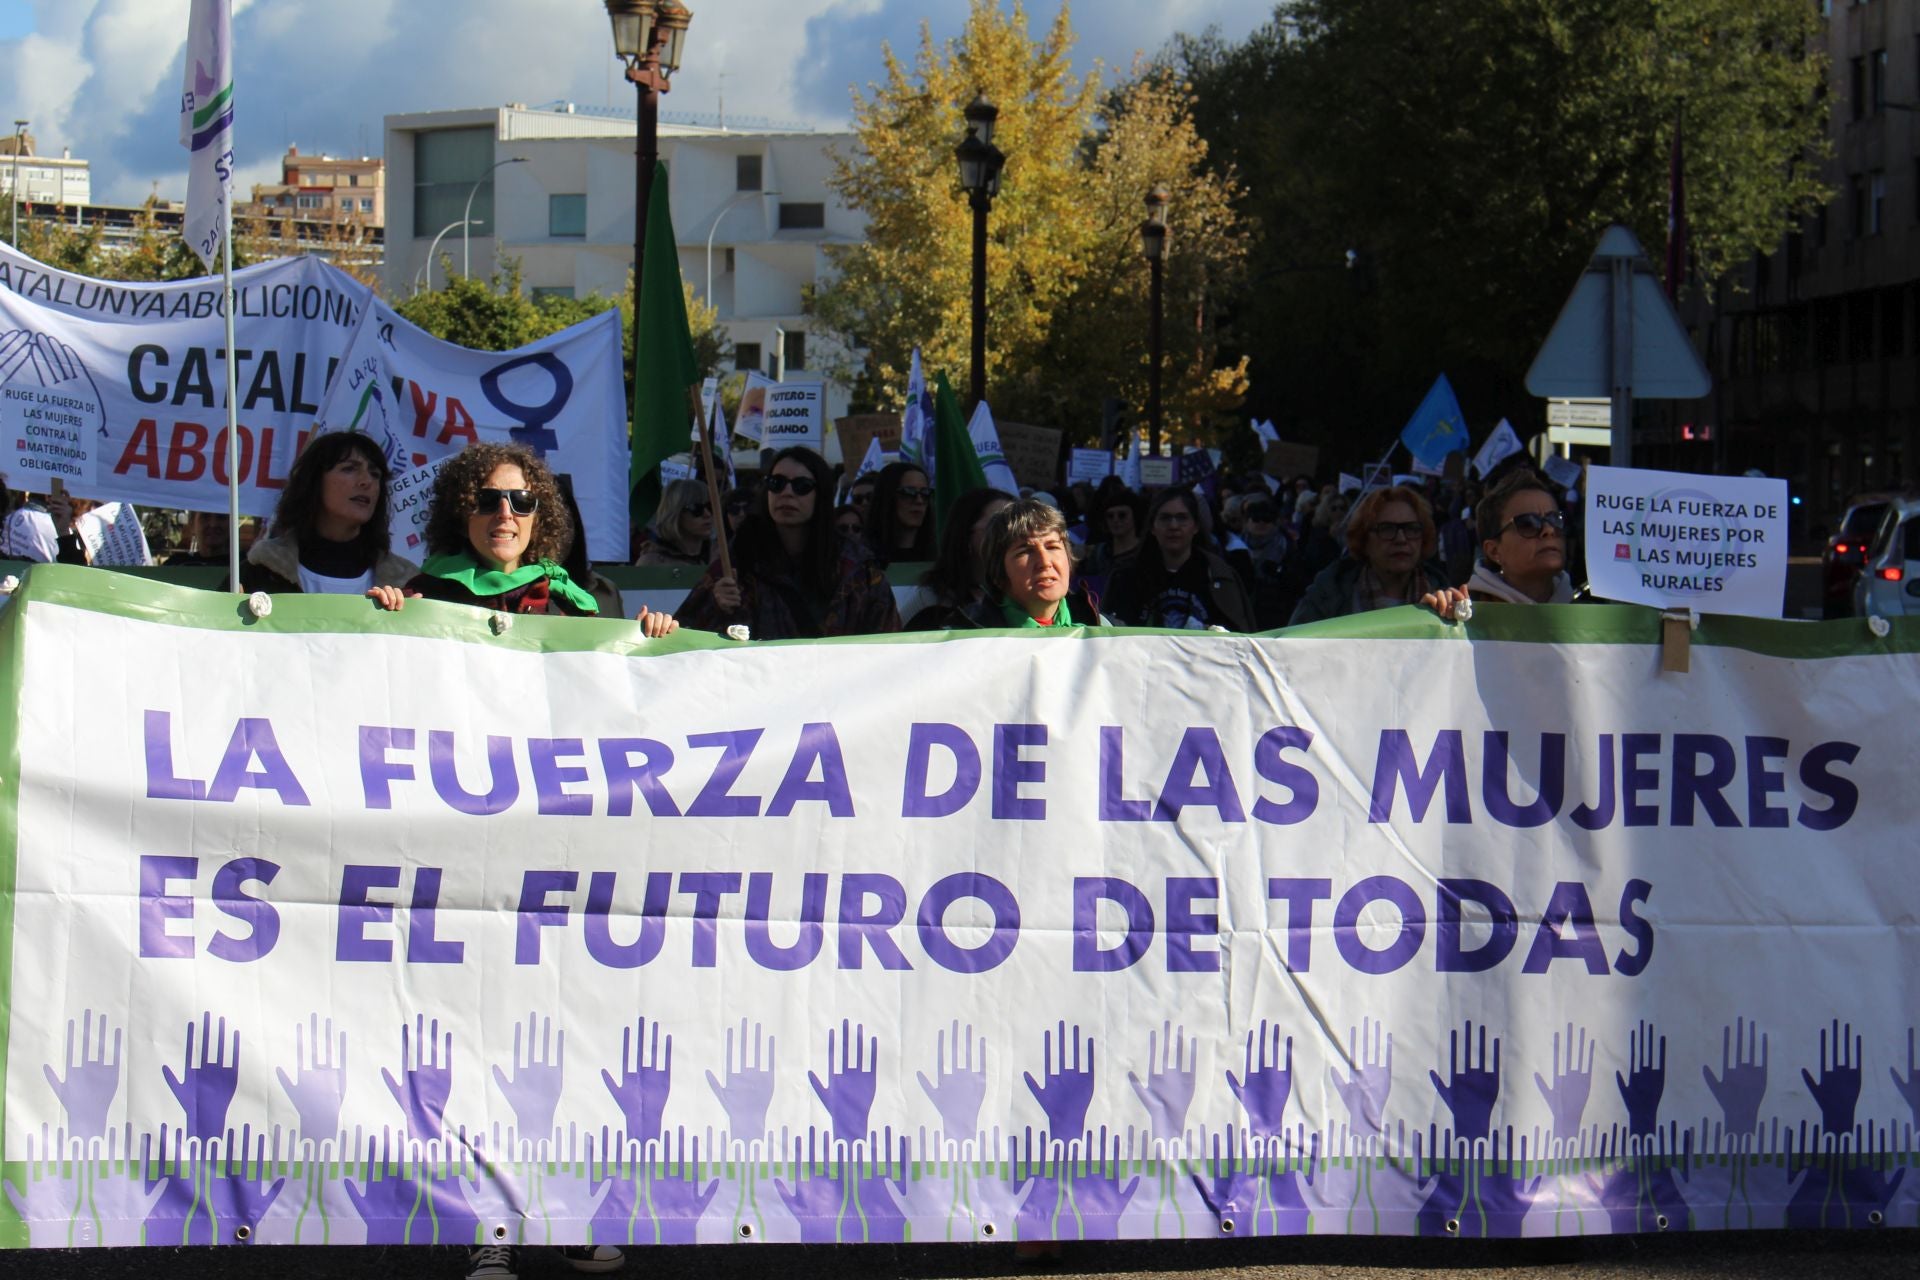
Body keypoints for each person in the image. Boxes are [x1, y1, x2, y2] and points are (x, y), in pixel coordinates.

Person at [382, 444, 673, 635]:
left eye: (522, 501)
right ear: (460, 515)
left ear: (537, 520)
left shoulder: (567, 604)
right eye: (486, 500)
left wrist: (640, 644)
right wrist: (382, 620)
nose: (505, 513)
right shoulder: (423, 596)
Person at [677, 446, 901, 639]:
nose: (786, 493)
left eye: (801, 486)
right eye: (777, 483)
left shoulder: (858, 568)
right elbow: (688, 633)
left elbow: (887, 644)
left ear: (821, 494)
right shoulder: (739, 557)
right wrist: (717, 604)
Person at [236, 432, 418, 597]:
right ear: (314, 481)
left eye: (375, 474)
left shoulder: (405, 582)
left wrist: (406, 614)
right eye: (349, 469)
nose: (366, 481)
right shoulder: (258, 573)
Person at [1289, 485, 1456, 624]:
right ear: (1364, 539)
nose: (1401, 539)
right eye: (1387, 529)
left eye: (1412, 529)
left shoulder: (1445, 597)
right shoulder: (1327, 595)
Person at [1102, 487, 1254, 631]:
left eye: (1182, 518)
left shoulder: (1219, 576)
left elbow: (1239, 640)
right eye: (1165, 518)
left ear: (1195, 526)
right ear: (1152, 527)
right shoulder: (1125, 578)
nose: (1173, 526)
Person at [973, 498, 1106, 627]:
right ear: (998, 575)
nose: (1045, 562)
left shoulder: (1106, 631)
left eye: (1052, 547)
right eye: (1025, 552)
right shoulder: (965, 639)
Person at [900, 486, 1015, 629]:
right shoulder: (929, 602)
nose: (1012, 535)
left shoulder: (1027, 595)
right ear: (966, 535)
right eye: (998, 526)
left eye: (1019, 527)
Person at [1462, 471, 1578, 604]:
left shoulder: (1594, 616)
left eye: (1555, 519)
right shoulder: (1463, 615)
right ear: (1494, 551)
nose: (1549, 530)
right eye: (1528, 523)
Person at [864, 461, 936, 564]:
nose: (919, 500)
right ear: (887, 497)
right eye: (908, 492)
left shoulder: (942, 557)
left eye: (925, 493)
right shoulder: (862, 558)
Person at [633, 478, 714, 567]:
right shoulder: (652, 563)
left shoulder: (718, 558)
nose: (707, 514)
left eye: (710, 506)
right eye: (697, 508)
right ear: (676, 513)